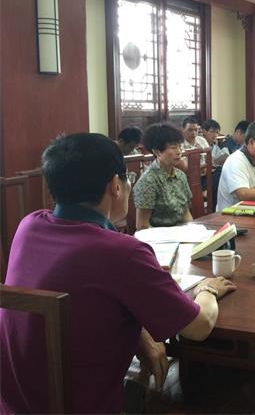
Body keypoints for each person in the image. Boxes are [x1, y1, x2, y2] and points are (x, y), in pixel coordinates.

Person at [0, 133, 236, 414]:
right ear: (115, 185)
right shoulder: (122, 252)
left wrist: (141, 336)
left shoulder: (29, 226)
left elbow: (85, 300)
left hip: (15, 404)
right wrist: (207, 290)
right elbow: (198, 328)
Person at [134, 123, 193, 229]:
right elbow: (142, 225)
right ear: (157, 152)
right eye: (173, 147)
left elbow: (185, 213)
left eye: (180, 146)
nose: (179, 152)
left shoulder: (180, 176)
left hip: (182, 233)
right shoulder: (148, 181)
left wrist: (192, 230)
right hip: (159, 237)